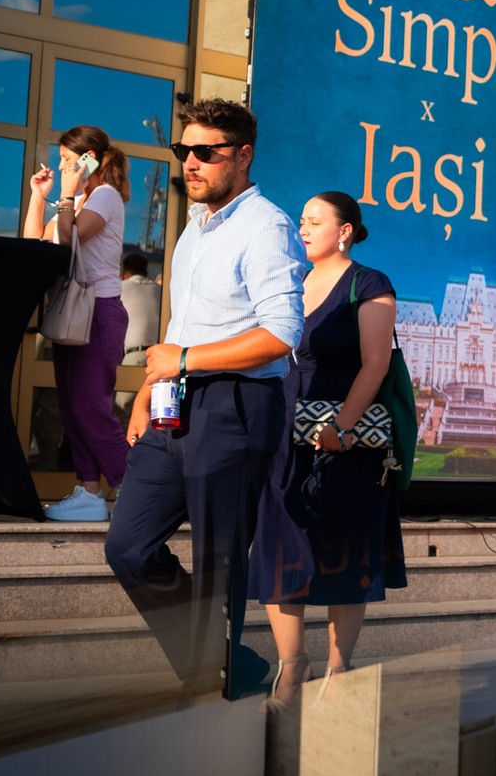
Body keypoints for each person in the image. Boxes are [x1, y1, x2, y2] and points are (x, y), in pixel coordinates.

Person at [108, 98, 306, 696]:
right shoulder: (194, 228)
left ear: (242, 156)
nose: (190, 162)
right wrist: (149, 391)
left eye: (205, 152)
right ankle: (225, 663)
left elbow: (281, 334)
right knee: (129, 546)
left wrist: (185, 361)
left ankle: (214, 687)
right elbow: (181, 328)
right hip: (175, 402)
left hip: (236, 406)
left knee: (219, 562)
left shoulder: (267, 227)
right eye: (183, 150)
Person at [253, 191, 403, 702]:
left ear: (345, 231)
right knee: (278, 544)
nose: (303, 229)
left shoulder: (369, 283)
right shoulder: (289, 280)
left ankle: (340, 673)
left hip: (345, 439)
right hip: (283, 432)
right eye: (301, 220)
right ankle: (291, 666)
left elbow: (376, 363)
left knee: (345, 549)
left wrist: (341, 425)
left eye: (314, 222)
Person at [25, 125, 132, 524]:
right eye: (61, 160)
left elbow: (70, 238)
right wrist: (39, 195)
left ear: (90, 160)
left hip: (99, 311)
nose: (61, 167)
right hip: (76, 311)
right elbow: (35, 241)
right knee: (72, 408)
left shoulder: (104, 196)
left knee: (91, 408)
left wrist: (67, 194)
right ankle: (88, 491)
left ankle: (134, 490)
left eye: (69, 160)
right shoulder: (81, 200)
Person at [120, 251, 161, 369]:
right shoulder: (160, 291)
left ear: (123, 275)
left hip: (133, 357)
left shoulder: (120, 288)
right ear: (146, 273)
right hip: (158, 357)